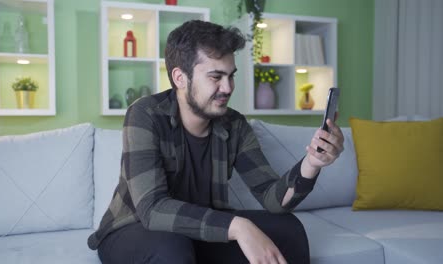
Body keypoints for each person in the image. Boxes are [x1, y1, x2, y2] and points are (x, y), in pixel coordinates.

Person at [88, 20, 344, 264]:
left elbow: (271, 198)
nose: (228, 87)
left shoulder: (235, 125)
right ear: (180, 78)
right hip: (134, 228)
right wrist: (239, 227)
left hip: (198, 227)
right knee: (171, 249)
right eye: (215, 77)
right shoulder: (145, 114)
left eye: (231, 76)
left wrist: (312, 162)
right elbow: (152, 209)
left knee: (289, 230)